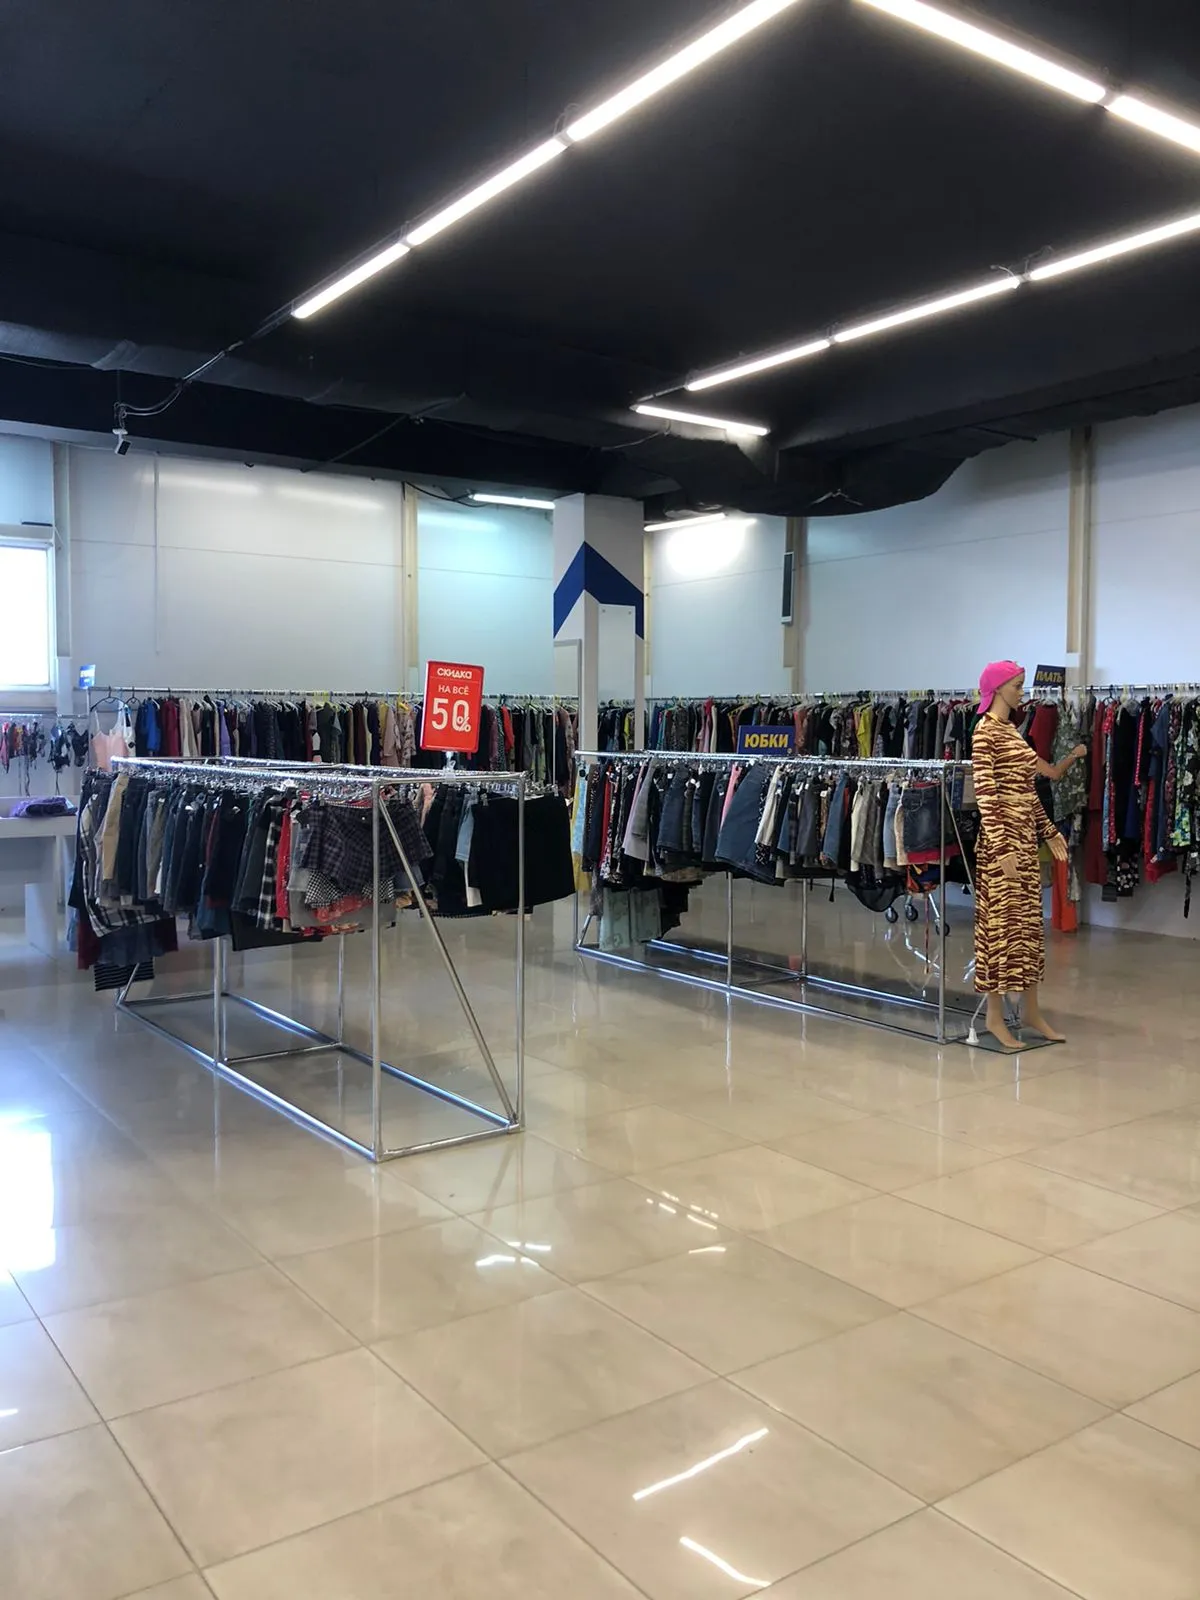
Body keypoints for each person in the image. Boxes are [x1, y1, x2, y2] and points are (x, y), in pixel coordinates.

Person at [972, 661, 1086, 1050]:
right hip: (1000, 849)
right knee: (999, 931)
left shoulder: (1010, 731)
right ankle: (994, 1015)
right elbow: (986, 795)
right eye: (1017, 686)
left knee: (1028, 930)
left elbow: (1027, 791)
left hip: (1023, 844)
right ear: (998, 688)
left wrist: (1049, 831)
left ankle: (1032, 1010)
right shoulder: (985, 733)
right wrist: (1001, 845)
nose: (1022, 692)